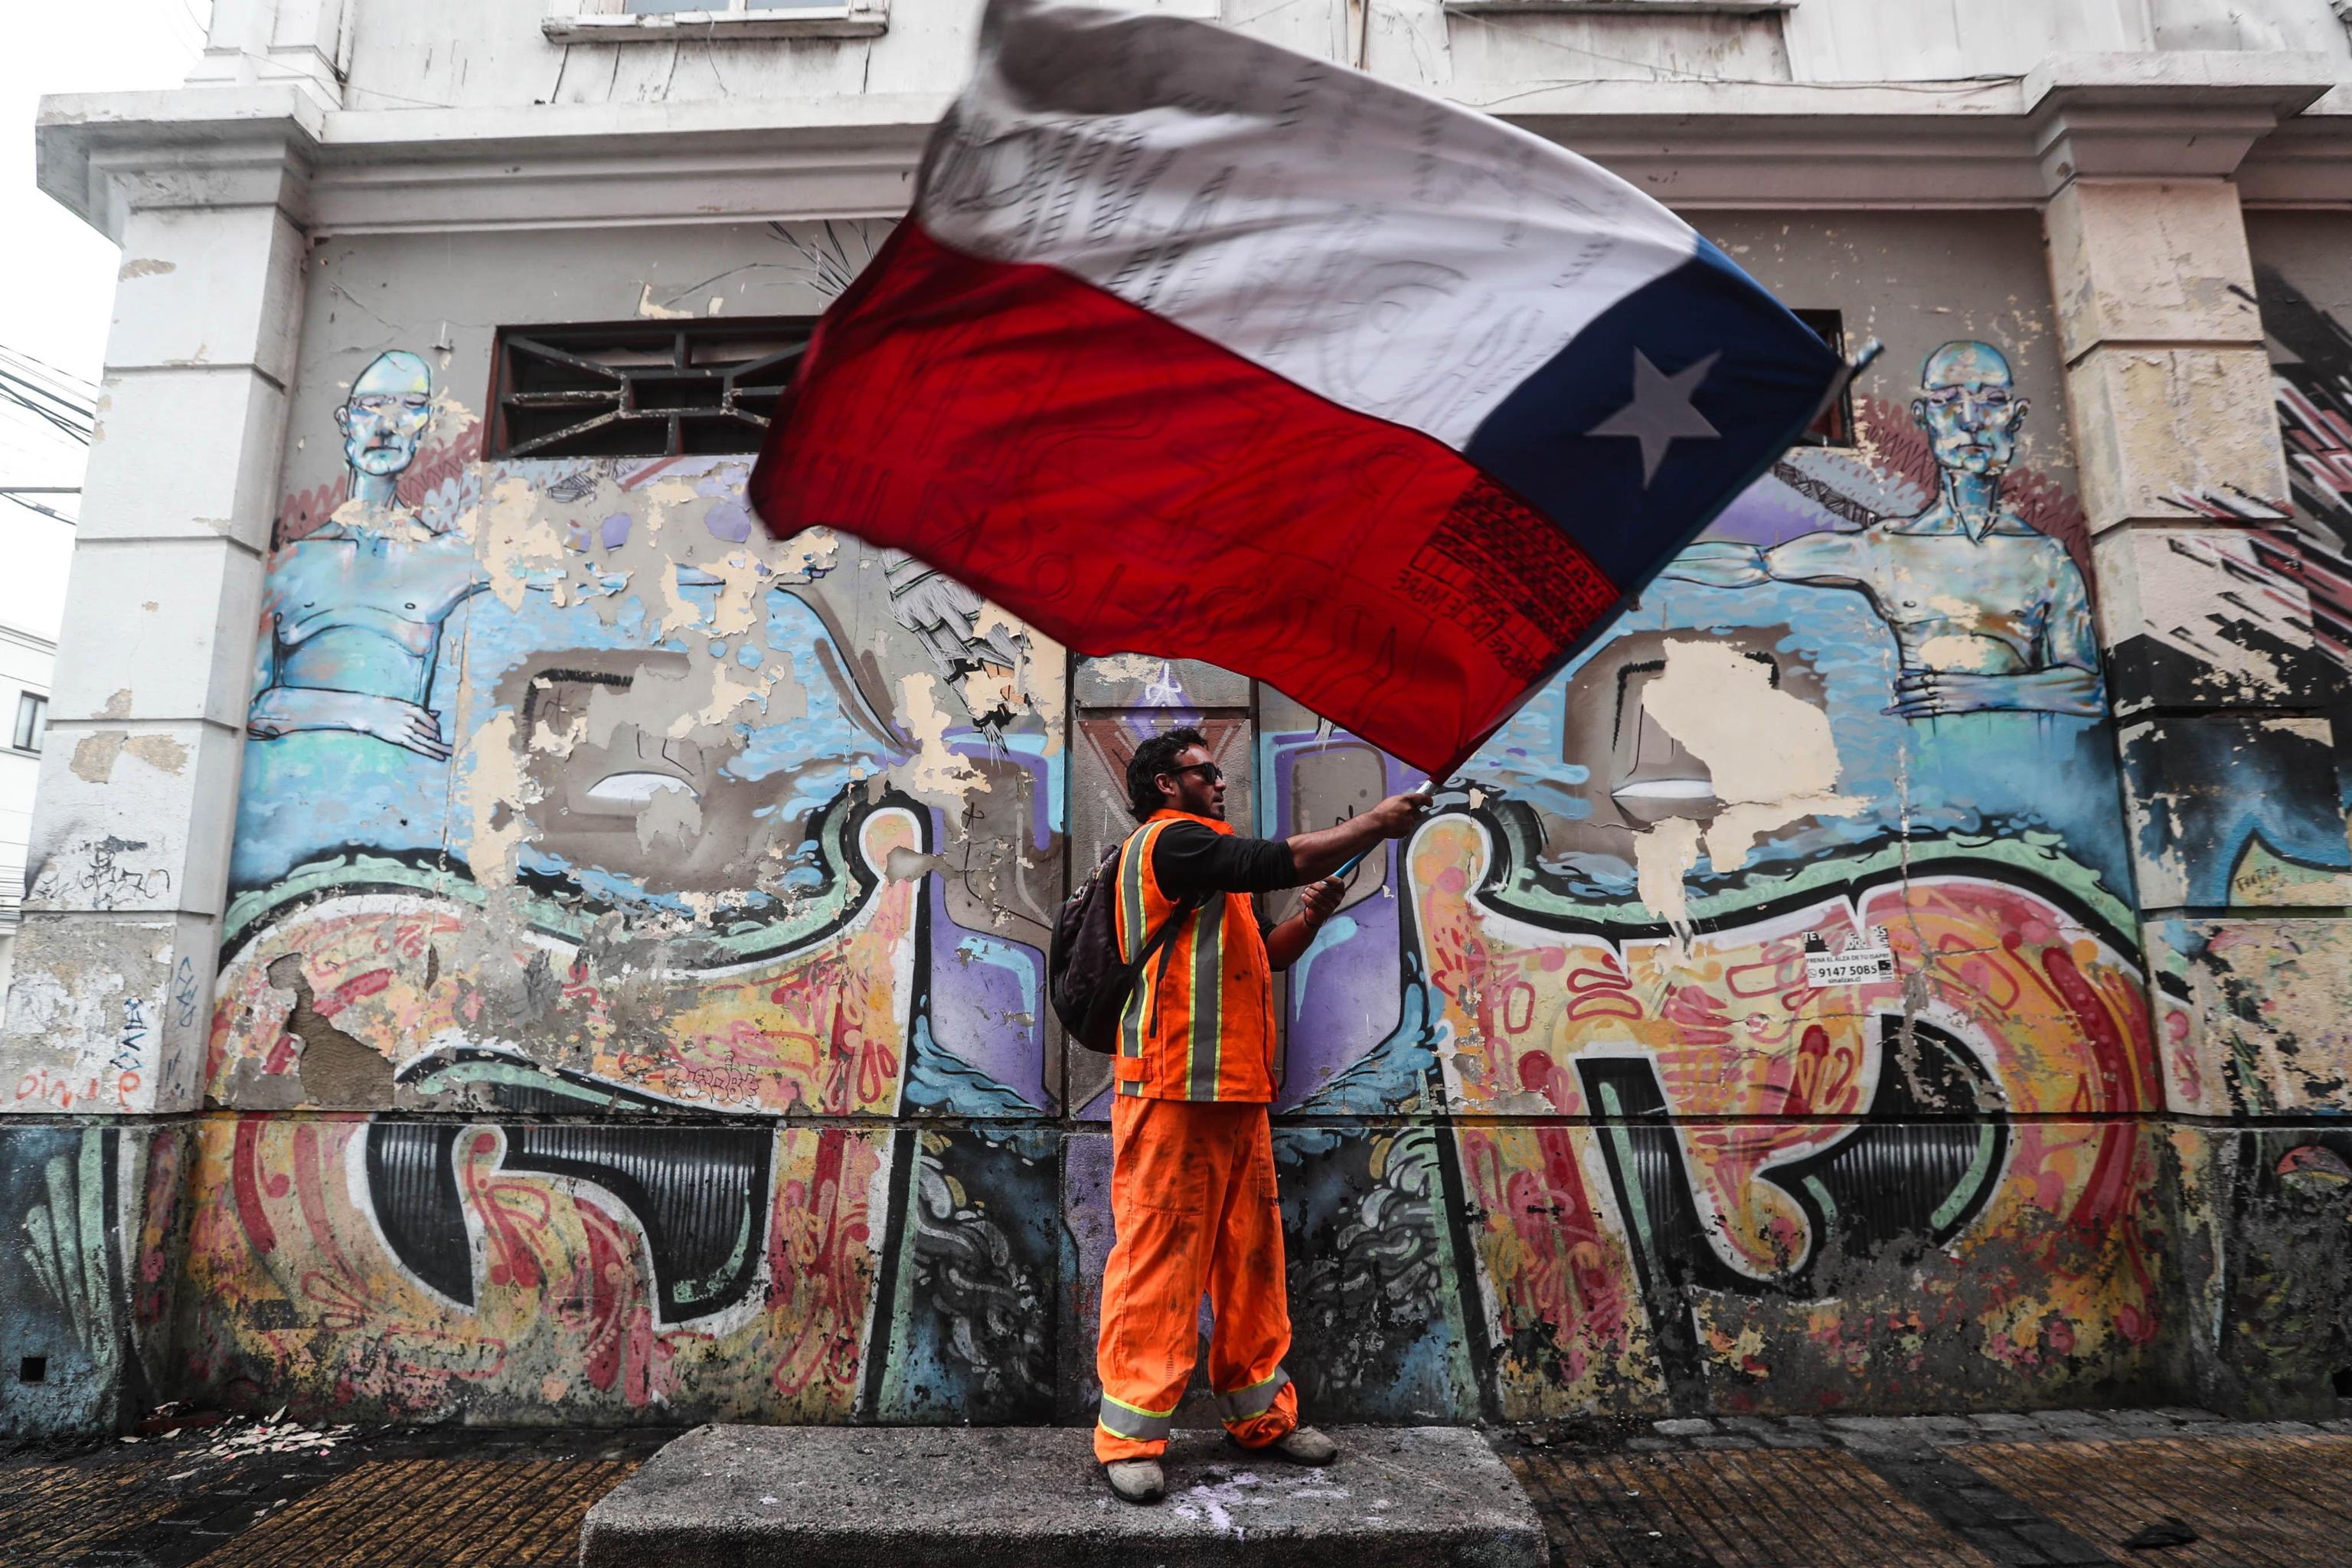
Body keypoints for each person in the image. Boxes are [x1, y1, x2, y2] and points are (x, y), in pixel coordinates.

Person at [1094, 726, 1431, 1504]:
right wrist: (1375, 823)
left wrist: (1312, 916)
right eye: (1202, 771)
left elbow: (1266, 954)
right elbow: (1276, 857)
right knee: (1157, 1262)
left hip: (1234, 1093)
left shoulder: (1207, 863)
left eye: (1216, 771)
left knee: (1251, 1260)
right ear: (1163, 785)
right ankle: (1130, 1434)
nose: (1218, 781)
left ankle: (1261, 1416)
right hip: (1174, 1090)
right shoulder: (1170, 844)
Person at [1663, 340, 2100, 718]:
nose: (1970, 419)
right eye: (1947, 399)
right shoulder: (1886, 548)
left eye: (1992, 400)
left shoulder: (2046, 559)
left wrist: (1985, 693)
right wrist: (1644, 569)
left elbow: (2087, 688)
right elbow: (1754, 565)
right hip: (1925, 771)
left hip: (2029, 770)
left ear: (2016, 415)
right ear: (1924, 415)